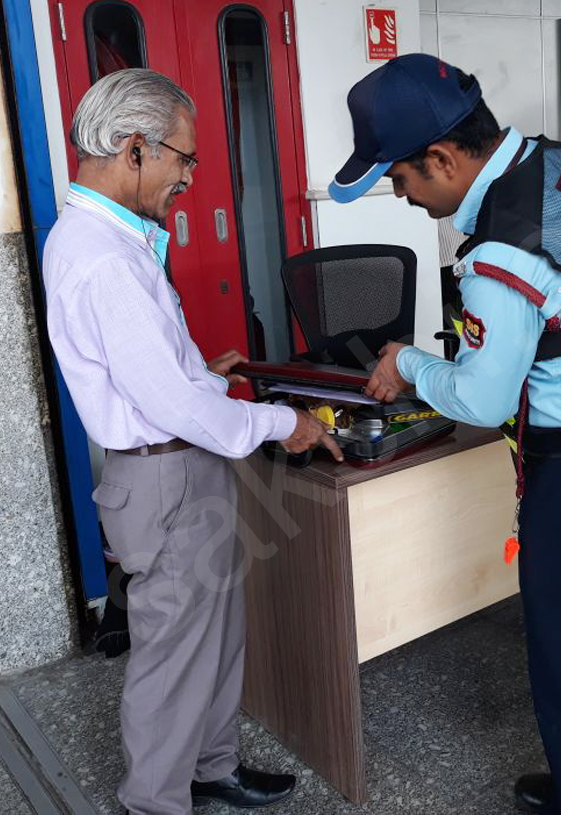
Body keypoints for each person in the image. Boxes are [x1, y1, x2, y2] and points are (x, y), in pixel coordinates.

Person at [329, 54, 561, 815]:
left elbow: (478, 395)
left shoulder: (500, 254)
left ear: (441, 158)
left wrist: (410, 365)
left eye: (400, 179)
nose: (401, 197)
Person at [42, 69, 341, 815]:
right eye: (184, 158)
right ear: (134, 147)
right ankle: (154, 802)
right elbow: (170, 404)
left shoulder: (109, 238)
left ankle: (212, 768)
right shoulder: (104, 257)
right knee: (173, 656)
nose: (189, 177)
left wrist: (195, 372)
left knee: (215, 632)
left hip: (180, 464)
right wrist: (284, 422)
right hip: (164, 477)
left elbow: (152, 378)